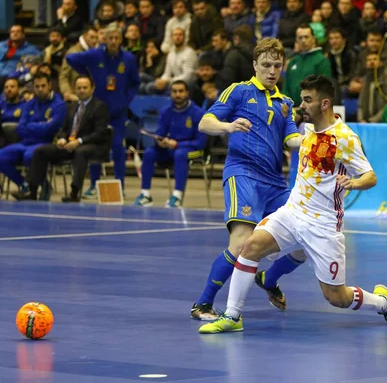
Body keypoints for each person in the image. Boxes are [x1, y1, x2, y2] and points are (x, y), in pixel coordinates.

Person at [199, 75, 387, 334]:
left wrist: (353, 183)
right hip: (293, 212)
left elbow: (371, 175)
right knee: (250, 246)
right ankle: (232, 316)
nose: (302, 105)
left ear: (324, 104)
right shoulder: (307, 131)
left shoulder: (344, 138)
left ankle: (382, 302)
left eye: (307, 100)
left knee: (336, 297)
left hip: (323, 223)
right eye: (302, 99)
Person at [191, 38, 307, 320]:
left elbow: (291, 139)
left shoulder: (285, 103)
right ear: (255, 65)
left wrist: (315, 140)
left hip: (275, 183)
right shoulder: (239, 92)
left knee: (309, 240)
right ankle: (203, 304)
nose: (271, 71)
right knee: (241, 242)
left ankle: (268, 279)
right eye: (266, 65)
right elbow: (205, 123)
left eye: (277, 65)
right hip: (243, 175)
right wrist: (228, 126)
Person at [66, 23, 140, 197]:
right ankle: (93, 184)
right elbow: (70, 59)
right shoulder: (95, 55)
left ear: (121, 39)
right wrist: (87, 75)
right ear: (104, 39)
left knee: (118, 148)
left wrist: (126, 99)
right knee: (95, 148)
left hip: (118, 112)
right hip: (97, 111)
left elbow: (135, 83)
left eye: (116, 38)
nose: (113, 41)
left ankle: (120, 185)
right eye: (110, 38)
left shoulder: (128, 59)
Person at [17, 75, 109, 202]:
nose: (81, 90)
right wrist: (61, 139)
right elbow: (63, 129)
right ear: (75, 89)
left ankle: (74, 193)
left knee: (80, 152)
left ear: (92, 89)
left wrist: (79, 141)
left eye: (85, 88)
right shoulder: (71, 106)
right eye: (79, 88)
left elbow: (100, 133)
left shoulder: (100, 107)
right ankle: (32, 191)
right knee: (40, 151)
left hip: (92, 145)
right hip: (69, 144)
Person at [133, 80, 207, 208]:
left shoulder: (198, 113)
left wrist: (178, 144)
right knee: (150, 153)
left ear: (187, 93)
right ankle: (145, 195)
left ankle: (176, 196)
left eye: (181, 91)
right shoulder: (165, 112)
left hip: (191, 150)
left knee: (180, 154)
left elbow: (200, 142)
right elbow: (160, 133)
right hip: (169, 149)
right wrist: (160, 141)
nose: (177, 94)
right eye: (174, 91)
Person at [2, 73, 66, 198]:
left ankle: (36, 188)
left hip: (46, 144)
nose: (40, 89)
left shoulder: (59, 105)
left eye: (43, 86)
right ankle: (25, 185)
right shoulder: (29, 104)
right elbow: (20, 128)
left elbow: (50, 129)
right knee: (1, 157)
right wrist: (41, 125)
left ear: (50, 86)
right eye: (37, 86)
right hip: (25, 143)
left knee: (29, 155)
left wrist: (30, 125)